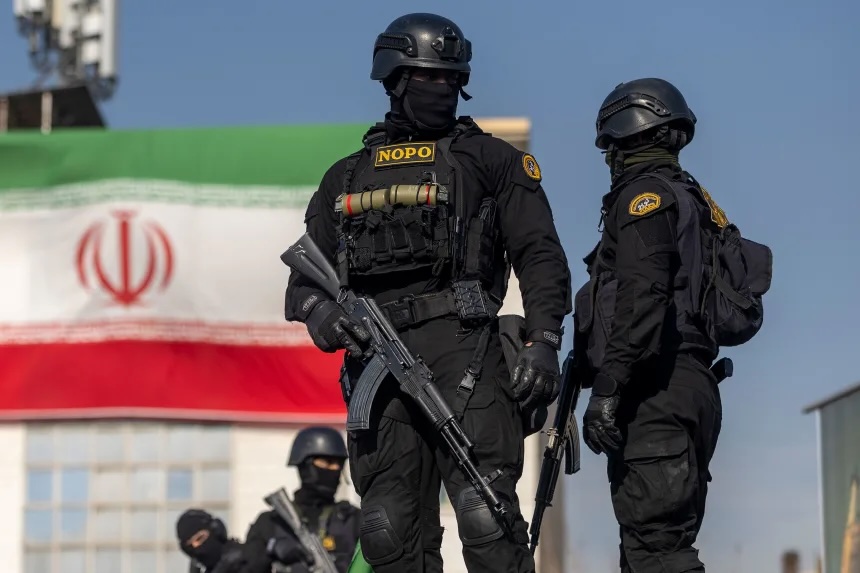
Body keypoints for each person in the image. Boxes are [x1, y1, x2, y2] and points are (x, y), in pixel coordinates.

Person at [283, 12, 571, 573]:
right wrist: (321, 315)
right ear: (394, 78)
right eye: (427, 77)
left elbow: (540, 254)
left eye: (450, 79)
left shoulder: (491, 160)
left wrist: (544, 339)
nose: (442, 89)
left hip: (467, 350)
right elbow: (302, 285)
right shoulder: (344, 177)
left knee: (488, 517)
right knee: (386, 530)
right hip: (375, 359)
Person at [576, 77, 770, 572]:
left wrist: (608, 386)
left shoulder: (644, 196)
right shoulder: (694, 201)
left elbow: (644, 297)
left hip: (657, 388)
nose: (609, 160)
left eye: (610, 148)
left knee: (657, 553)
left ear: (624, 138)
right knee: (649, 551)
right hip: (693, 387)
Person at [243, 426, 361, 573]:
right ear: (305, 465)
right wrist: (272, 548)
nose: (335, 469)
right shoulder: (270, 523)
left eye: (339, 464)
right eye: (327, 462)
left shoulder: (354, 520)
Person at [177, 509, 247, 573]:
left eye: (200, 538)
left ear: (216, 530)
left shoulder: (249, 560)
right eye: (190, 547)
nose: (196, 546)